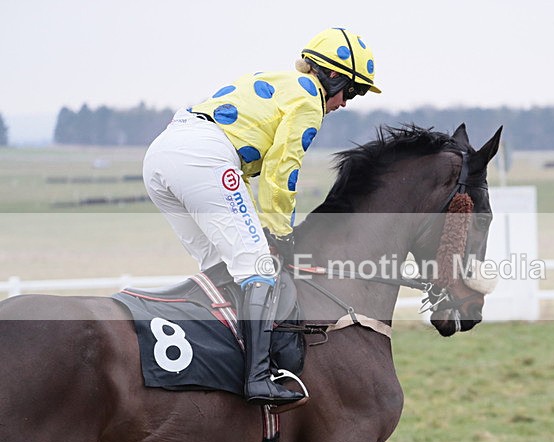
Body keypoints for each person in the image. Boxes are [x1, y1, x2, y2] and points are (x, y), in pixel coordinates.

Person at [142, 28, 380, 406]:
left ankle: (218, 362)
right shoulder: (307, 100)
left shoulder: (279, 81)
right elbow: (281, 172)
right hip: (202, 157)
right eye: (351, 91)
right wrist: (280, 233)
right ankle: (257, 379)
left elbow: (247, 177)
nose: (346, 103)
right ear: (332, 77)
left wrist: (263, 227)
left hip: (162, 156)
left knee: (222, 270)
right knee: (260, 267)